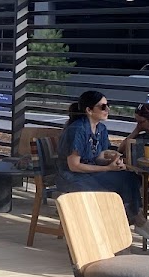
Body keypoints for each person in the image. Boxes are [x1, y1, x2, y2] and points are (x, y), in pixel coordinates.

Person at [56, 89, 141, 223]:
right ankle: (125, 218)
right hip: (72, 177)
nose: (107, 109)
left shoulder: (101, 129)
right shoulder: (77, 130)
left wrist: (115, 160)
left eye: (108, 106)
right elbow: (74, 166)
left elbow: (99, 155)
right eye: (102, 107)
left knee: (131, 177)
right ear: (89, 110)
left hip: (89, 173)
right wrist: (108, 168)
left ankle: (127, 217)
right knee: (123, 182)